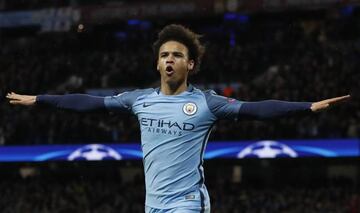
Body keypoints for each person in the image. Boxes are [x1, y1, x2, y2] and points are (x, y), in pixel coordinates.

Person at [6, 24, 350, 213]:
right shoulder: (139, 100)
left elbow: (256, 109)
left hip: (188, 204)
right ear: (157, 64)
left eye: (177, 55)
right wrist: (40, 99)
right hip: (152, 205)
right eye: (164, 55)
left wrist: (306, 106)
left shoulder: (207, 103)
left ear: (191, 65)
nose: (169, 59)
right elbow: (89, 103)